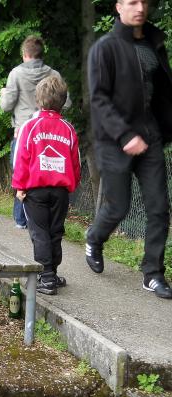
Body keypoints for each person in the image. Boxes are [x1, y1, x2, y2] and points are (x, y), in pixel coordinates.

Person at [86, 0, 172, 299]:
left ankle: (152, 274)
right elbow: (98, 99)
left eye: (144, 1)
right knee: (118, 207)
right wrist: (124, 134)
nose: (140, 7)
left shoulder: (154, 44)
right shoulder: (105, 48)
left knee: (159, 208)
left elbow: (162, 93)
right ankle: (94, 239)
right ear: (118, 6)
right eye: (132, 1)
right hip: (115, 140)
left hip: (150, 137)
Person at [12, 76, 81, 295]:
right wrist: (72, 185)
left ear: (37, 100)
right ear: (62, 101)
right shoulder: (68, 129)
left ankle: (47, 277)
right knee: (55, 231)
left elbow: (21, 159)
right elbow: (75, 161)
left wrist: (19, 186)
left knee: (39, 231)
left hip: (35, 190)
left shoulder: (30, 127)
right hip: (60, 190)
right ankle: (52, 271)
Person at [0, 35, 71, 229]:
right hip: (51, 133)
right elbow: (68, 103)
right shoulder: (54, 74)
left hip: (23, 131)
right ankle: (47, 221)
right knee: (49, 174)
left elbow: (7, 106)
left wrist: (4, 93)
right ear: (41, 54)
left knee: (21, 174)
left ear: (25, 54)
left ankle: (20, 220)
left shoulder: (15, 74)